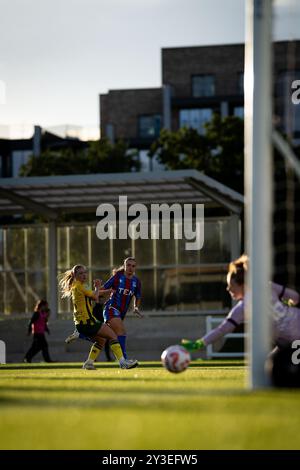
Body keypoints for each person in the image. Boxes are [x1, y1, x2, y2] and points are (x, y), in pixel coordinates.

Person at [181, 254, 300, 386]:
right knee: (269, 366)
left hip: (294, 340)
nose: (228, 289)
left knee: (273, 370)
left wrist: (199, 343)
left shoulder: (243, 307)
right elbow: (295, 297)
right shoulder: (267, 286)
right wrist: (285, 308)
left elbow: (222, 329)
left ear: (242, 284)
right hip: (291, 333)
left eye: (230, 285)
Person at [58, 264, 138, 370]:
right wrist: (97, 287)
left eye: (85, 272)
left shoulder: (78, 285)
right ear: (75, 275)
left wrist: (108, 291)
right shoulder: (80, 286)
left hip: (81, 322)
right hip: (88, 321)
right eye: (80, 273)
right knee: (113, 336)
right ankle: (123, 363)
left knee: (101, 340)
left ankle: (88, 363)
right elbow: (95, 297)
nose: (84, 275)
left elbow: (93, 294)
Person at [102, 257, 142, 361]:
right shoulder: (117, 277)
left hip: (121, 313)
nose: (130, 268)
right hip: (111, 308)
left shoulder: (136, 281)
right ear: (124, 266)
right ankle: (123, 360)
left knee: (102, 338)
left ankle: (89, 362)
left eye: (133, 266)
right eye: (128, 265)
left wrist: (136, 307)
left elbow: (138, 296)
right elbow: (104, 288)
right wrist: (94, 292)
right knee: (121, 332)